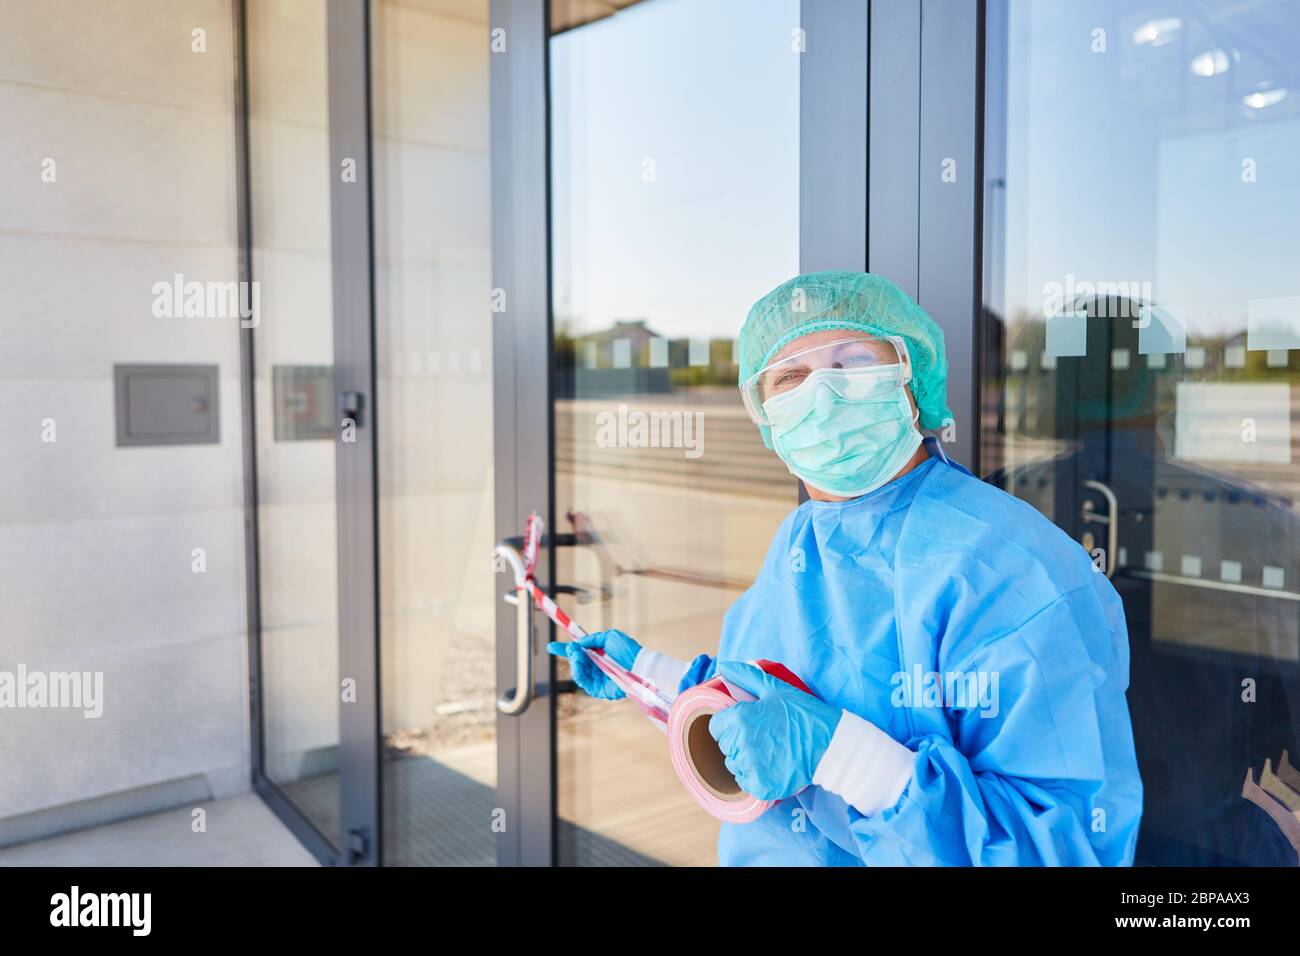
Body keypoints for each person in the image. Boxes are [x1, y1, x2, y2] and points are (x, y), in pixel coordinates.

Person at [549, 271, 1143, 866]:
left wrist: (841, 755)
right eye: (790, 377)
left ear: (912, 381)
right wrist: (646, 676)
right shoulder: (801, 540)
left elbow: (1062, 849)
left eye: (853, 364)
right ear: (765, 414)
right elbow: (758, 710)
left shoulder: (1014, 570)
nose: (822, 395)